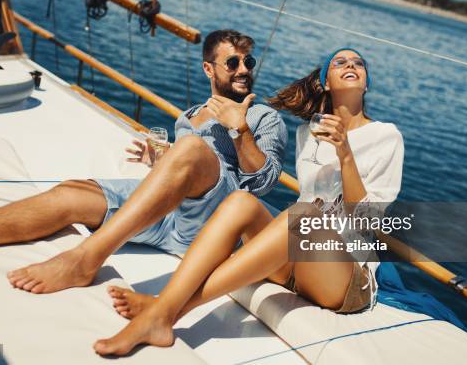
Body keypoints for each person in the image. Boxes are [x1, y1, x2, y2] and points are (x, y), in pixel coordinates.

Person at [92, 48, 404, 356]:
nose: (351, 65)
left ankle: (164, 310)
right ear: (324, 83)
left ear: (366, 84)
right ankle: (164, 305)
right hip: (298, 264)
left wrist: (345, 154)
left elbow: (367, 222)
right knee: (241, 200)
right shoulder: (308, 134)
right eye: (340, 62)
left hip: (345, 274)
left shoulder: (386, 136)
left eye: (358, 63)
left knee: (305, 214)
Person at [0, 30, 287, 295]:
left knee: (192, 152)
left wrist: (240, 131)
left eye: (249, 62)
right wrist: (161, 158)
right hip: (170, 218)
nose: (243, 69)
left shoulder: (262, 119)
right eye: (233, 62)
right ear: (210, 69)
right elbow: (188, 170)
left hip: (214, 224)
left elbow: (262, 184)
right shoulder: (190, 115)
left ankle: (86, 259)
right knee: (73, 192)